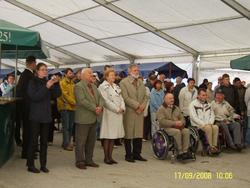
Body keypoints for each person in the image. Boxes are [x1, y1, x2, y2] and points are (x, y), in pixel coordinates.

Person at [26, 63, 61, 173]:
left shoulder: (48, 82)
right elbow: (35, 97)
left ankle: (43, 164)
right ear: (37, 71)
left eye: (46, 69)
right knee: (33, 141)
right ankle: (30, 165)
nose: (45, 71)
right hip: (35, 116)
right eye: (42, 69)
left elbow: (57, 95)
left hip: (46, 116)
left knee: (44, 142)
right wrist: (46, 87)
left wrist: (56, 83)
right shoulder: (32, 82)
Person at [74, 68, 104, 169]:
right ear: (83, 75)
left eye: (92, 73)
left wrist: (100, 106)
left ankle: (89, 160)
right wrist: (95, 108)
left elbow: (101, 98)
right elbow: (81, 100)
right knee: (81, 141)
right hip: (83, 118)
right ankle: (80, 161)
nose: (92, 75)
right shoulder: (78, 86)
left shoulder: (94, 86)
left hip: (94, 117)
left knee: (91, 141)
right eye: (89, 73)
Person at [120, 64, 149, 162]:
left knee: (138, 134)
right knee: (129, 134)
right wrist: (137, 105)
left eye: (138, 70)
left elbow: (146, 96)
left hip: (140, 112)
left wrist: (143, 106)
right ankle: (128, 155)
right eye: (135, 70)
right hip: (130, 111)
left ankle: (137, 154)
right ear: (129, 71)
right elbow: (125, 97)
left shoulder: (141, 82)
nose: (137, 72)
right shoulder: (123, 82)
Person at [98, 69, 125, 164]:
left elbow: (121, 98)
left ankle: (110, 157)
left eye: (114, 75)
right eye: (111, 75)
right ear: (106, 76)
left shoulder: (116, 86)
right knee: (108, 136)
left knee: (113, 136)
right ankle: (106, 157)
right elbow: (105, 101)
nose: (113, 77)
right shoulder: (102, 86)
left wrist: (122, 107)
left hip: (118, 114)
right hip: (109, 114)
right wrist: (116, 109)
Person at [156, 93, 192, 160]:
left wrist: (181, 123)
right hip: (166, 128)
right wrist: (174, 123)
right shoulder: (161, 109)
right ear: (165, 99)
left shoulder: (176, 108)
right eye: (170, 98)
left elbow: (182, 118)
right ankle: (179, 152)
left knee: (186, 131)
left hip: (178, 126)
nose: (172, 100)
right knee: (177, 132)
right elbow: (162, 121)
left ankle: (185, 151)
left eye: (172, 98)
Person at [16, 56, 37, 159]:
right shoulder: (27, 75)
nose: (36, 65)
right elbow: (25, 92)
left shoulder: (27, 74)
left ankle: (29, 151)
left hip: (26, 107)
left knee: (29, 130)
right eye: (35, 63)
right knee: (28, 130)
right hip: (27, 107)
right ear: (32, 63)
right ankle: (26, 153)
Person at [189, 88, 219, 155]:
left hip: (208, 124)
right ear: (198, 95)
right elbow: (193, 117)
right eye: (202, 95)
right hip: (197, 125)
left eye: (205, 95)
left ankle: (214, 146)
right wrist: (204, 124)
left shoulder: (208, 104)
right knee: (208, 128)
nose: (204, 97)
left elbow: (212, 115)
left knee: (216, 127)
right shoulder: (193, 104)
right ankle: (210, 147)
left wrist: (210, 123)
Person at [57, 68, 76, 151]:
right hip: (64, 107)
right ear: (65, 74)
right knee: (66, 126)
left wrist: (74, 102)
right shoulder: (62, 83)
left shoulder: (73, 83)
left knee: (71, 126)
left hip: (72, 107)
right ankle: (66, 144)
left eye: (72, 73)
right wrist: (73, 102)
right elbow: (64, 95)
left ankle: (67, 142)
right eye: (70, 73)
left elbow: (74, 94)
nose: (71, 74)